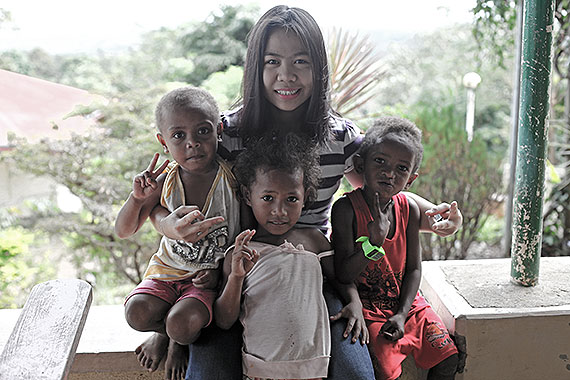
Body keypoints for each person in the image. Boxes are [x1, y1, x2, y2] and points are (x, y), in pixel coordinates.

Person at [150, 6, 463, 380]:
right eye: (272, 62)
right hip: (234, 276)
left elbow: (382, 191)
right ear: (255, 68)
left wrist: (433, 215)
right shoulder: (227, 134)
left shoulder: (340, 138)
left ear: (319, 68)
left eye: (301, 61)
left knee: (355, 372)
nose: (287, 75)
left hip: (315, 276)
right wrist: (170, 227)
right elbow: (165, 197)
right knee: (208, 373)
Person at [115, 86, 241, 380]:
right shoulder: (163, 181)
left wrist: (220, 275)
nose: (192, 144)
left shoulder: (233, 180)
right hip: (166, 274)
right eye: (179, 136)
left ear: (219, 130)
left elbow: (242, 235)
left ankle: (175, 342)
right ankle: (166, 335)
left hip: (205, 281)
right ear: (163, 141)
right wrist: (136, 199)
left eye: (202, 132)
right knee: (136, 313)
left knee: (181, 325)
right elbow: (124, 231)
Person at [216, 134, 365, 380]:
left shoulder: (314, 241)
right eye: (267, 198)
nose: (279, 211)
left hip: (314, 369)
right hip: (260, 370)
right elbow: (224, 320)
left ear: (305, 197)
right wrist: (236, 277)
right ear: (246, 195)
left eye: (291, 199)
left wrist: (354, 301)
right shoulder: (240, 251)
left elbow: (341, 277)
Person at [331, 116, 459, 380]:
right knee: (387, 370)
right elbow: (343, 274)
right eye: (380, 161)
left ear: (411, 180)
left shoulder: (408, 209)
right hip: (369, 308)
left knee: (448, 355)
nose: (389, 173)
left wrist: (402, 313)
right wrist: (374, 242)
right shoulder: (346, 210)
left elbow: (413, 269)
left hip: (408, 305)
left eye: (401, 168)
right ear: (360, 165)